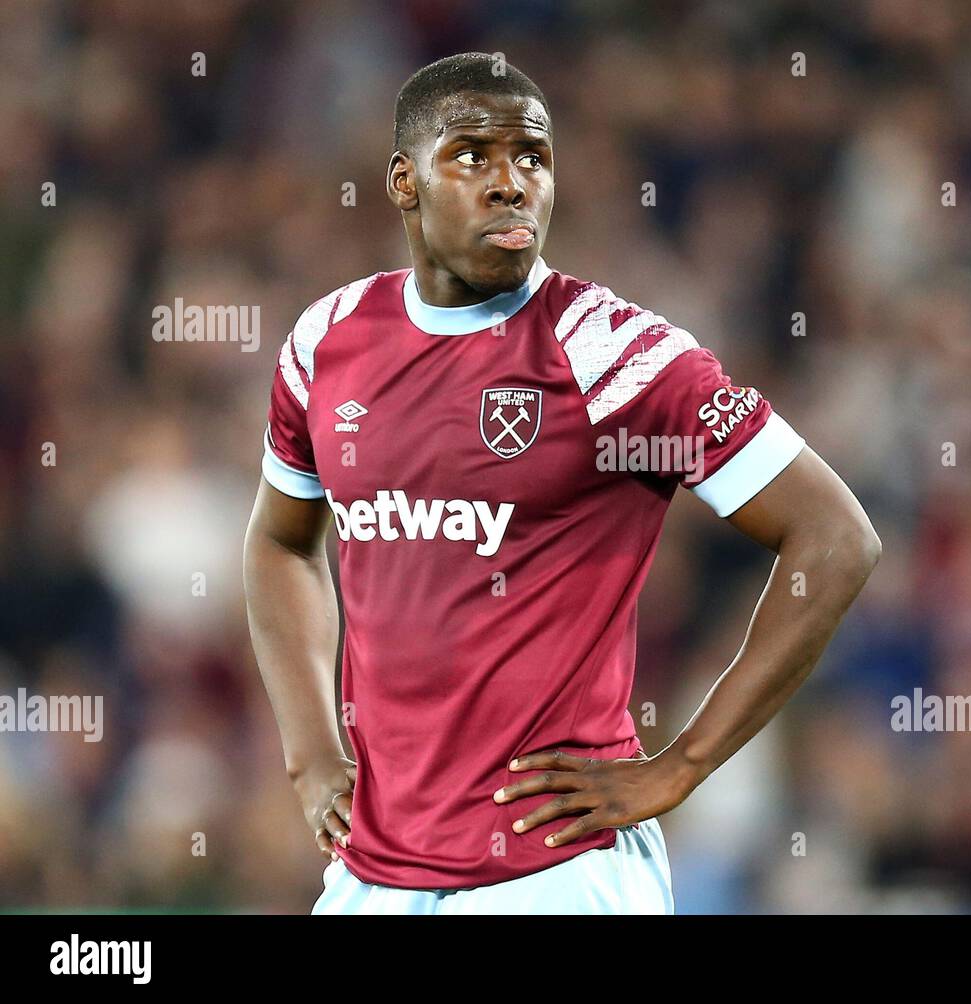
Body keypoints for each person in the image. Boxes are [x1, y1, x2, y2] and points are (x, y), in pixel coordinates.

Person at [242, 52, 881, 915]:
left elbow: (837, 537)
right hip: (373, 875)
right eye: (472, 155)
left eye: (532, 159)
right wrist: (312, 749)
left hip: (556, 875)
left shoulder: (615, 352)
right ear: (403, 181)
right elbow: (281, 541)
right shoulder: (329, 341)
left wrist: (680, 765)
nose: (510, 184)